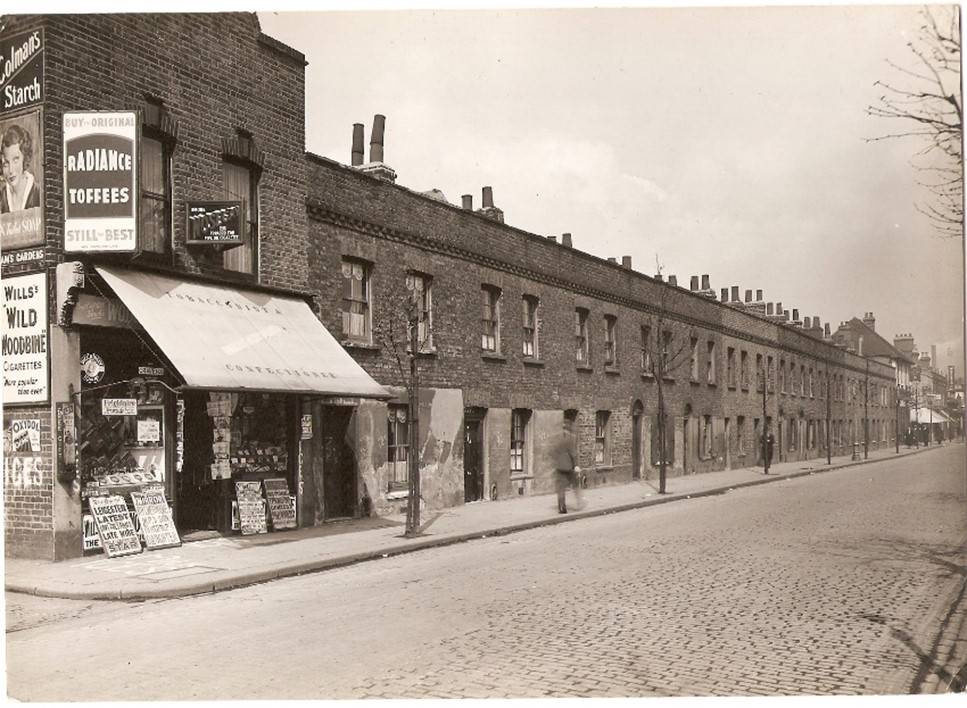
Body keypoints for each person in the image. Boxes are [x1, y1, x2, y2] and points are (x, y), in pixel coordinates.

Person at [1, 124, 40, 214]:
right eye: (6, 164)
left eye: (15, 160)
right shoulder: (1, 197)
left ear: (24, 158)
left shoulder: (38, 194)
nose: (11, 170)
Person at [551, 419, 582, 513]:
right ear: (570, 428)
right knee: (575, 485)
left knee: (560, 488)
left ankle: (562, 508)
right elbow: (573, 454)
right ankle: (580, 502)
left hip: (559, 468)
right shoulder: (570, 439)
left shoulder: (557, 439)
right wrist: (576, 465)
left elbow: (552, 453)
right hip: (569, 468)